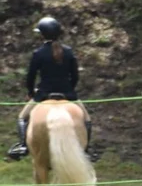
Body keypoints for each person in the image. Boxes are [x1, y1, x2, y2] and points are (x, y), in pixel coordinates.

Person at [7, 16, 92, 162]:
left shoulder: (38, 53)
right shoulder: (68, 51)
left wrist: (31, 92)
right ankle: (86, 149)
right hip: (68, 93)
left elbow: (30, 77)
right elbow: (75, 76)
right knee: (86, 119)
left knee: (22, 117)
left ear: (42, 34)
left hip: (43, 94)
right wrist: (69, 90)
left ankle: (23, 146)